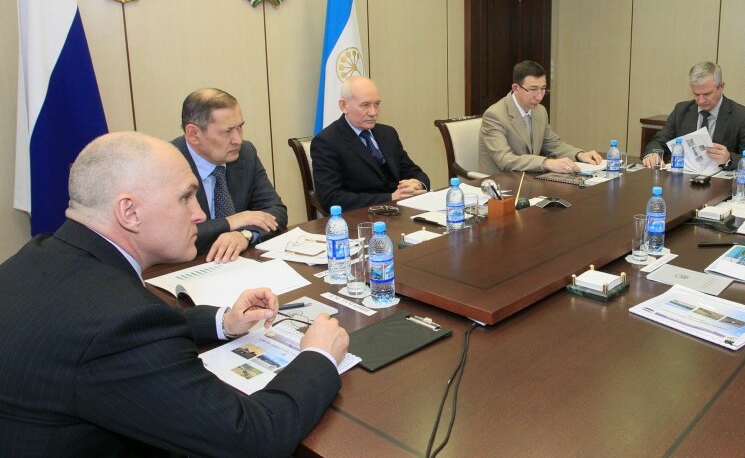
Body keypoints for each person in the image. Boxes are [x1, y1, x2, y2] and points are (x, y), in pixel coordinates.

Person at [0, 132, 350, 458]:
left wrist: (223, 322)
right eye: (185, 197)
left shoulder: (44, 256)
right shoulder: (118, 323)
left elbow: (115, 324)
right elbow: (254, 438)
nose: (200, 214)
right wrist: (318, 355)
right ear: (129, 212)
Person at [172, 88, 287, 262]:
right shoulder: (167, 166)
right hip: (183, 266)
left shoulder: (245, 154)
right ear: (194, 134)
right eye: (227, 131)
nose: (238, 140)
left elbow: (275, 210)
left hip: (235, 263)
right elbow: (174, 235)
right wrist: (232, 221)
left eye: (239, 127)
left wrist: (245, 234)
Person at [312, 75, 429, 210]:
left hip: (399, 210)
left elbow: (413, 171)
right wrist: (391, 197)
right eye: (365, 105)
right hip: (362, 216)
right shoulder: (326, 142)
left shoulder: (388, 133)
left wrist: (418, 184)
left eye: (377, 104)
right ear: (344, 106)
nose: (373, 112)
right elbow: (331, 198)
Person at [478, 60, 602, 175]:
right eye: (533, 90)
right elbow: (505, 160)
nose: (539, 96)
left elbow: (552, 144)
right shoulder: (494, 116)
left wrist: (579, 154)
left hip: (529, 178)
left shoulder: (540, 111)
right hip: (500, 184)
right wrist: (546, 163)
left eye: (543, 89)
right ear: (516, 88)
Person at [641, 61, 745, 171]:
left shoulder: (741, 116)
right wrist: (652, 154)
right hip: (683, 181)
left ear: (721, 87)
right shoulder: (681, 111)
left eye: (706, 94)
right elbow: (658, 142)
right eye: (696, 94)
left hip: (720, 185)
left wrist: (729, 158)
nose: (700, 100)